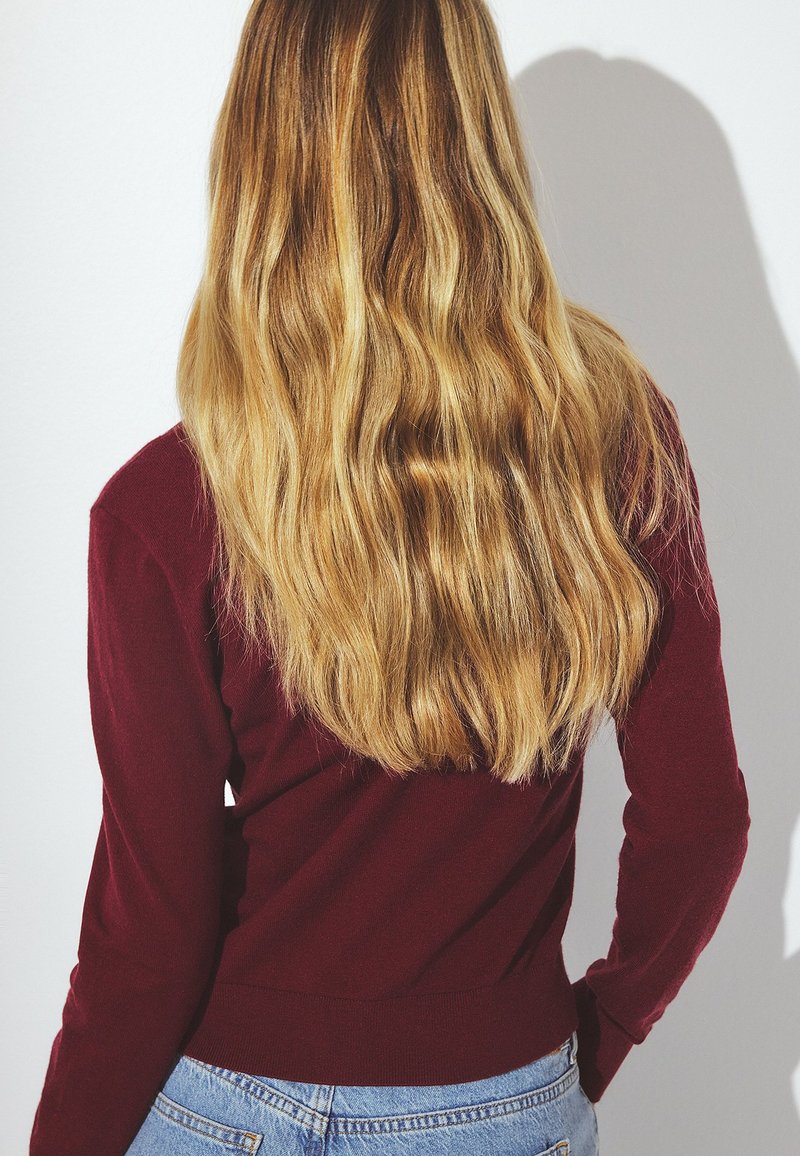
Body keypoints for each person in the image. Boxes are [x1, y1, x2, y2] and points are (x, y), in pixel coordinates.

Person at [29, 2, 750, 1153]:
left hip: (227, 1104)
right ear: (478, 140)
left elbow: (147, 931)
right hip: (503, 1094)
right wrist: (590, 1035)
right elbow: (699, 818)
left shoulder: (162, 508)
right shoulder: (617, 442)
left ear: (261, 151)